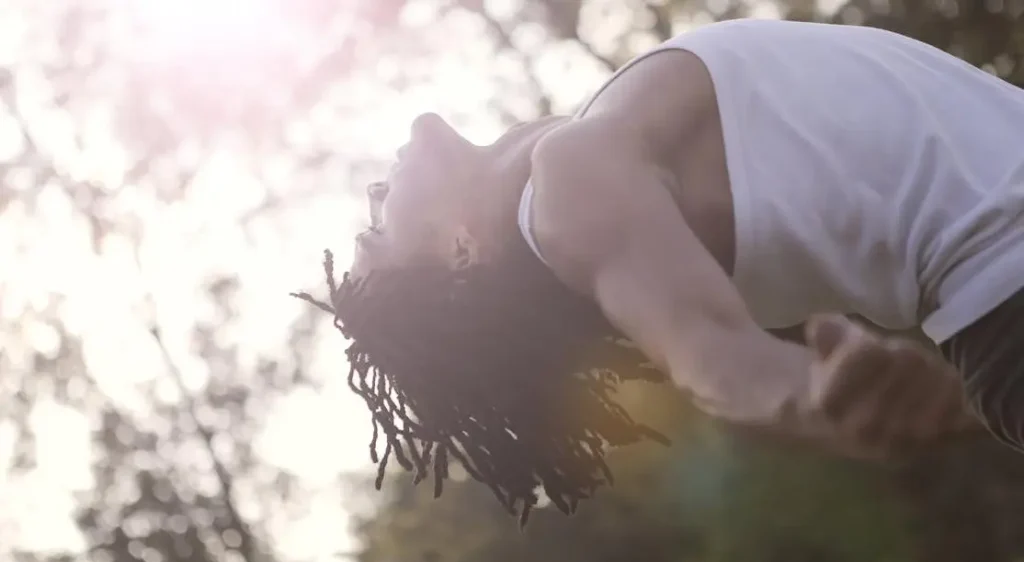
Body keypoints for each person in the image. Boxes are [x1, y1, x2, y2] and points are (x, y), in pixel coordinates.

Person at [301, 18, 1024, 524]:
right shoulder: (569, 190)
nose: (372, 193)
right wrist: (810, 397)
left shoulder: (605, 174)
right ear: (461, 253)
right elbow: (710, 351)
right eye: (374, 232)